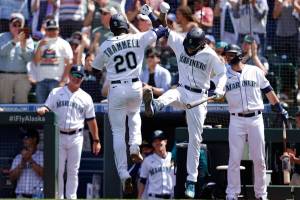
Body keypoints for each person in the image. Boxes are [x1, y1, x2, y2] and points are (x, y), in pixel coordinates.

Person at [142, 4, 227, 197]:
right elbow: (164, 31)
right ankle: (155, 105)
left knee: (195, 139)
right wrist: (151, 15)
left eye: (191, 45)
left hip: (199, 97)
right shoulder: (181, 42)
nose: (188, 47)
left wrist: (220, 88)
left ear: (200, 44)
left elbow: (222, 74)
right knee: (172, 93)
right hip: (182, 89)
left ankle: (191, 180)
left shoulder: (209, 55)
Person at [91, 13, 168, 194]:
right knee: (134, 116)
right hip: (135, 85)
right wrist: (151, 14)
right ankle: (135, 146)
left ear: (112, 28)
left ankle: (124, 173)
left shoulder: (105, 45)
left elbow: (94, 71)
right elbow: (163, 29)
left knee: (118, 132)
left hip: (115, 88)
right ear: (126, 25)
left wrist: (106, 72)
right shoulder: (137, 38)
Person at [223, 44, 289, 200]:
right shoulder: (223, 75)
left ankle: (261, 194)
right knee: (234, 159)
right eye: (226, 55)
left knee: (259, 159)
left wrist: (279, 107)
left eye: (231, 54)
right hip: (236, 119)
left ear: (239, 55)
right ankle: (231, 194)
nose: (227, 57)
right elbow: (211, 88)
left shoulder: (254, 71)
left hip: (255, 118)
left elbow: (268, 91)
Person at [36, 65, 101, 199]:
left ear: (83, 79)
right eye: (75, 75)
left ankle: (71, 197)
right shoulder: (56, 92)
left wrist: (96, 140)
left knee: (73, 171)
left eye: (80, 76)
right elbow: (47, 107)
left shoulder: (86, 97)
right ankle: (58, 197)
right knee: (58, 170)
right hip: (58, 135)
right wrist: (43, 109)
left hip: (76, 136)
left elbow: (91, 120)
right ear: (69, 76)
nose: (77, 78)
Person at [33, 19, 73, 103]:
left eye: (54, 29)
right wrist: (40, 46)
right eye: (49, 29)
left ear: (58, 30)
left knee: (56, 108)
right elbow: (36, 61)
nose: (51, 32)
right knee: (41, 109)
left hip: (56, 81)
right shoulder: (40, 43)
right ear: (45, 30)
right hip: (41, 81)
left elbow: (69, 62)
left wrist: (63, 80)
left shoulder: (64, 43)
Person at [0, 13, 34, 103]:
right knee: (4, 104)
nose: (17, 27)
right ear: (9, 26)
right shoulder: (2, 37)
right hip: (4, 76)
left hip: (22, 76)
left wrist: (23, 47)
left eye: (19, 25)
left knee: (21, 104)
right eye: (14, 25)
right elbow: (1, 52)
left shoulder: (28, 39)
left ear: (23, 26)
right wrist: (14, 41)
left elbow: (30, 59)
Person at [138, 130, 175, 199]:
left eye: (160, 140)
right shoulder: (147, 160)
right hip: (154, 197)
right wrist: (139, 197)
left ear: (165, 142)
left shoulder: (173, 157)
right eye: (155, 141)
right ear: (152, 144)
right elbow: (142, 181)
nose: (158, 142)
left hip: (171, 197)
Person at [9, 129, 43, 198]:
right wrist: (22, 162)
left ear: (34, 139)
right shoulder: (18, 157)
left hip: (37, 196)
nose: (24, 140)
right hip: (21, 196)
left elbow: (45, 175)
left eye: (27, 137)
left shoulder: (42, 156)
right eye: (23, 138)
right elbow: (11, 178)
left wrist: (30, 160)